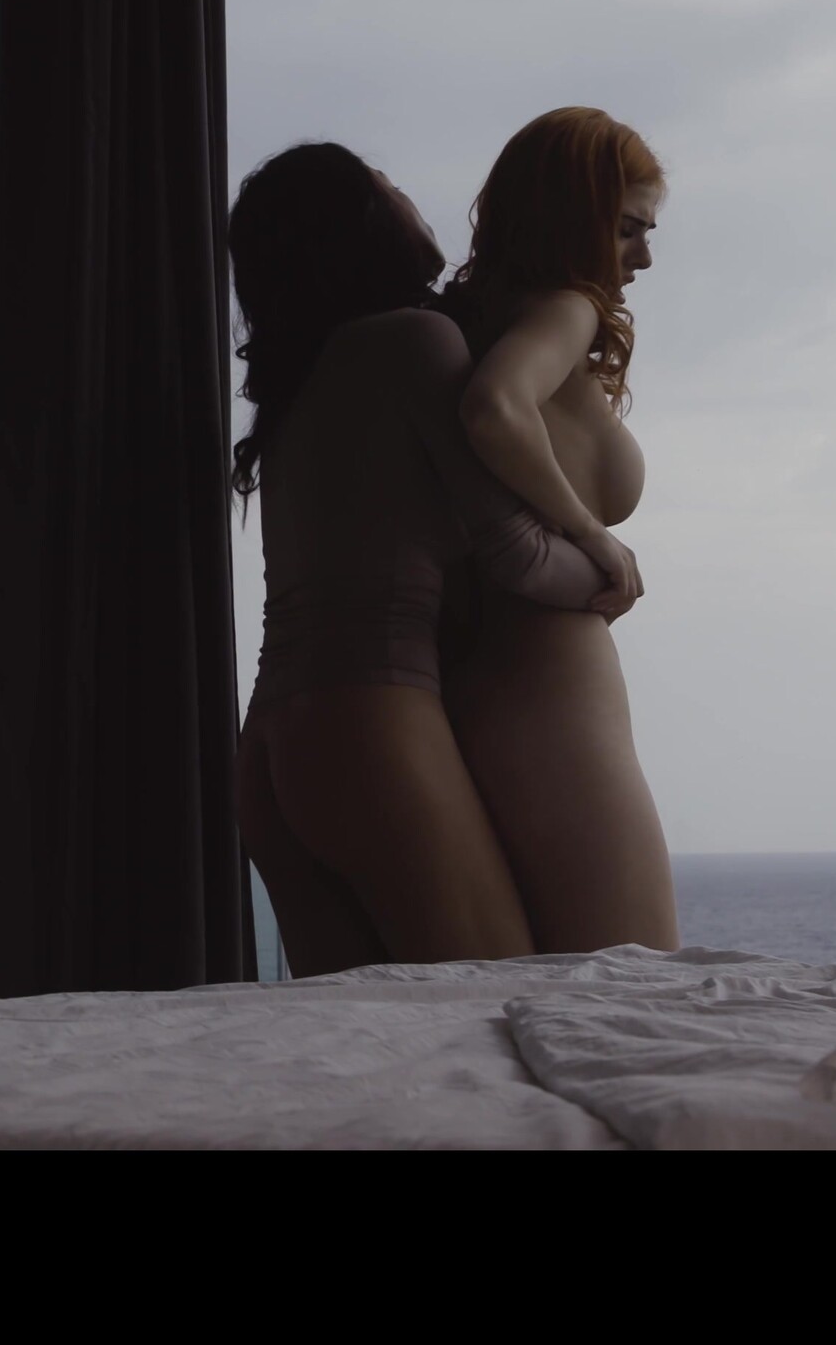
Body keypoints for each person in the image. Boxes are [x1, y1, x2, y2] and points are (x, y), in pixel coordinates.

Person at [230, 142, 613, 978]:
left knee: (364, 1036)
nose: (410, 198)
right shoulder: (412, 341)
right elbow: (514, 555)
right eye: (390, 186)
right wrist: (608, 567)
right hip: (369, 729)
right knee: (491, 1000)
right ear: (361, 224)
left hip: (267, 749)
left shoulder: (302, 383)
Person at [435, 106, 680, 953]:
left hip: (468, 672)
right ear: (571, 218)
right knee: (630, 969)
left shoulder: (466, 321)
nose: (643, 258)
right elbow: (495, 408)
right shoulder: (566, 309)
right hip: (548, 677)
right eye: (627, 229)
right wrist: (591, 532)